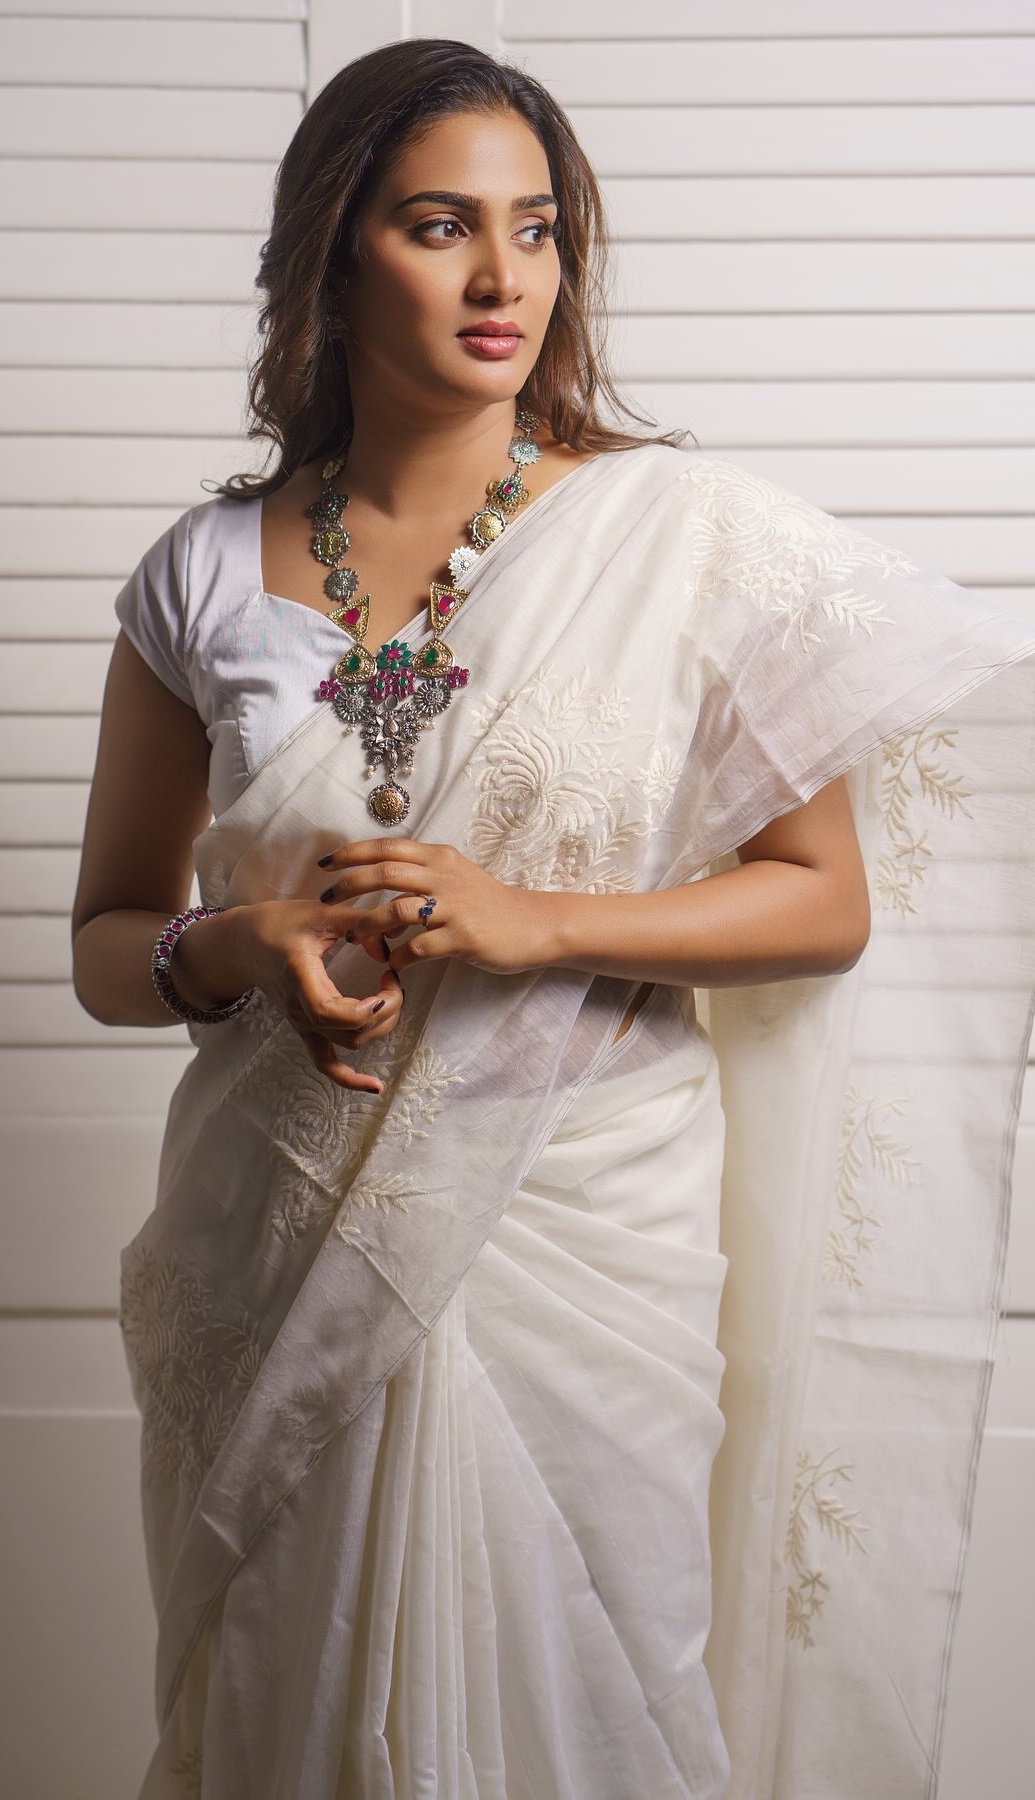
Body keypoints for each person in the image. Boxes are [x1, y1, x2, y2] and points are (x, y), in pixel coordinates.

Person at [70, 38, 1035, 1800]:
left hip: (580, 1234)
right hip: (266, 1232)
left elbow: (824, 901)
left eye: (538, 230)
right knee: (281, 1704)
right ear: (334, 252)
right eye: (443, 226)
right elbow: (109, 940)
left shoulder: (684, 537)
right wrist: (233, 951)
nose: (503, 277)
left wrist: (534, 921)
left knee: (600, 1702)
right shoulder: (198, 573)